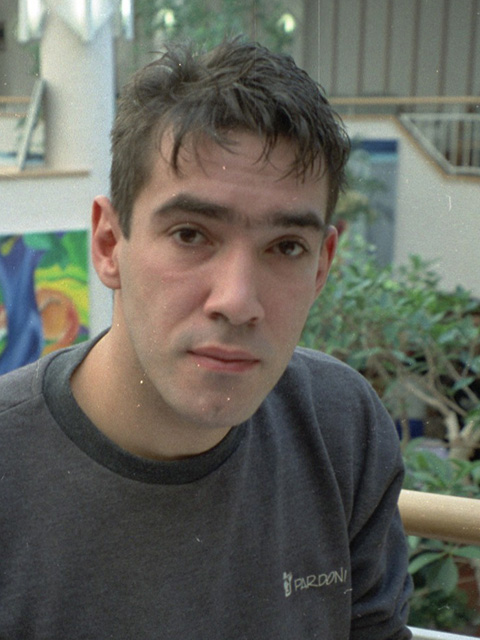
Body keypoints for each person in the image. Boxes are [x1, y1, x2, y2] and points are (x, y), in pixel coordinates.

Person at [0, 39, 412, 639]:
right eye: (191, 234)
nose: (238, 301)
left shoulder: (341, 430)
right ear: (109, 245)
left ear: (322, 265)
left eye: (286, 247)